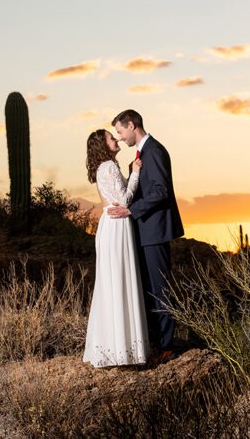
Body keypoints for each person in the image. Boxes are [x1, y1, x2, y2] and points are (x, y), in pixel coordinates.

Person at [107, 109, 185, 365]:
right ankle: (154, 342)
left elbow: (161, 191)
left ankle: (167, 346)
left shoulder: (155, 151)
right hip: (144, 231)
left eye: (120, 131)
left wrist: (132, 209)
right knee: (149, 288)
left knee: (160, 288)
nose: (119, 137)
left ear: (131, 125)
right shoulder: (141, 155)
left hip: (155, 230)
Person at [82, 128, 150, 367]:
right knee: (121, 280)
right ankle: (124, 351)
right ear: (103, 145)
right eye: (112, 137)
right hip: (117, 224)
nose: (117, 138)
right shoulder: (109, 167)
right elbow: (123, 200)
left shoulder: (103, 168)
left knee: (111, 282)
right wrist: (135, 174)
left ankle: (112, 347)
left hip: (108, 225)